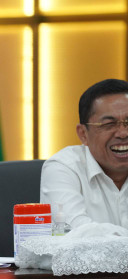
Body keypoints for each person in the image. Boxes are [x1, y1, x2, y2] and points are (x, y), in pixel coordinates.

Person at [41, 78, 128, 229]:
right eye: (109, 124)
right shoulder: (63, 168)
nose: (123, 133)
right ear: (83, 134)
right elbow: (77, 234)